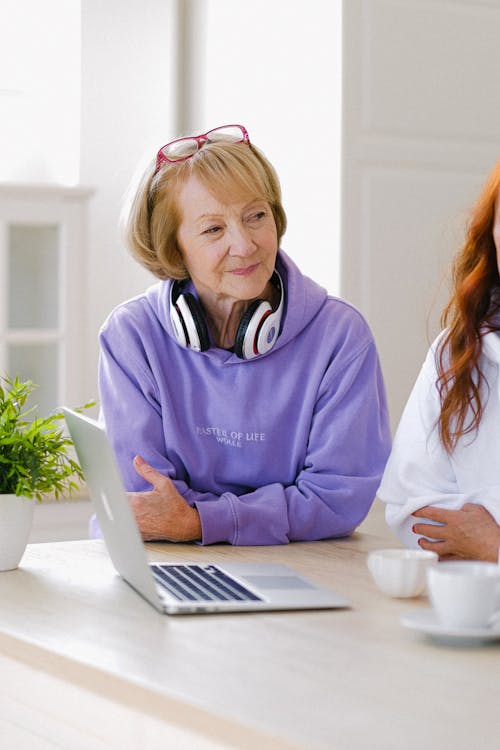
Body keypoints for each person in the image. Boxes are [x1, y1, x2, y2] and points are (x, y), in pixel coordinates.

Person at [93, 123, 391, 545]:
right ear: (174, 248)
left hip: (302, 566)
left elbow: (336, 500)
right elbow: (144, 500)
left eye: (256, 216)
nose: (246, 245)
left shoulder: (340, 337)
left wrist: (200, 522)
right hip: (166, 560)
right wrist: (267, 515)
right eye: (214, 229)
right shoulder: (132, 336)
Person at [378, 161, 500, 561]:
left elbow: (475, 536)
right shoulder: (457, 351)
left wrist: (492, 542)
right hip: (468, 605)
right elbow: (411, 507)